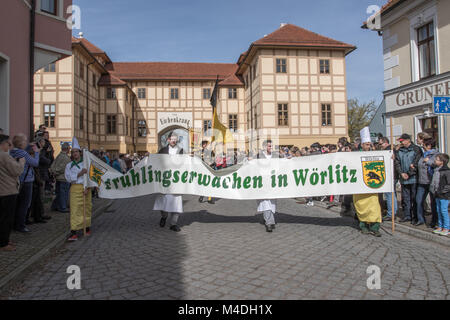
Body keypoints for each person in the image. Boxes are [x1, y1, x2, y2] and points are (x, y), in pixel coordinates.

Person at [353, 127, 382, 237]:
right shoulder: (355, 154)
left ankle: (375, 227)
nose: (368, 146)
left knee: (374, 207)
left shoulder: (376, 155)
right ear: (362, 145)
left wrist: (390, 157)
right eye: (366, 144)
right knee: (361, 207)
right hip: (359, 186)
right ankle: (363, 226)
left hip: (371, 186)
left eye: (370, 144)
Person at [153, 132, 184, 232]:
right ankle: (164, 217)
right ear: (168, 140)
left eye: (175, 139)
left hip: (176, 181)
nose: (174, 140)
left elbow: (184, 164)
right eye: (172, 139)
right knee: (163, 201)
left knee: (176, 203)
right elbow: (156, 163)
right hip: (165, 181)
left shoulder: (181, 150)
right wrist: (149, 158)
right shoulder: (162, 150)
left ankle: (173, 224)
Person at [10, 134, 40, 233]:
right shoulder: (24, 154)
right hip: (26, 181)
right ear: (21, 143)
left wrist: (28, 147)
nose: (26, 142)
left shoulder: (12, 152)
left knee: (17, 203)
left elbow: (23, 152)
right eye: (25, 141)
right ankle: (21, 225)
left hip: (16, 180)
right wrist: (36, 153)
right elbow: (35, 163)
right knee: (25, 204)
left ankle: (14, 224)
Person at [0, 134, 25, 251]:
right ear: (3, 144)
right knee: (6, 218)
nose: (9, 146)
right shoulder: (4, 156)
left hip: (2, 190)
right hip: (8, 191)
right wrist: (21, 163)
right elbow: (17, 171)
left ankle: (3, 240)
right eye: (8, 144)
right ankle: (4, 243)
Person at [64, 137, 92, 241]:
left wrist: (88, 187)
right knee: (75, 209)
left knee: (86, 208)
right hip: (75, 188)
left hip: (85, 188)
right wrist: (79, 174)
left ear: (80, 153)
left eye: (76, 152)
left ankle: (87, 227)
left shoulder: (85, 164)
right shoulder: (69, 165)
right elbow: (68, 178)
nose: (75, 153)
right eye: (73, 152)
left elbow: (89, 177)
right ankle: (74, 231)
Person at [394, 133, 423, 224]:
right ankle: (407, 215)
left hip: (414, 178)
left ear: (408, 140)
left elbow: (416, 163)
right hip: (403, 178)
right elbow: (397, 162)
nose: (401, 143)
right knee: (406, 198)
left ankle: (415, 216)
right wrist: (401, 173)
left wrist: (409, 174)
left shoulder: (416, 149)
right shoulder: (400, 150)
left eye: (402, 141)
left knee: (414, 198)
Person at [256, 139, 282, 233]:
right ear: (264, 147)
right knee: (265, 201)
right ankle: (269, 222)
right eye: (269, 146)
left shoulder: (276, 156)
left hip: (273, 182)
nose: (271, 147)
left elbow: (282, 163)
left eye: (271, 146)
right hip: (262, 182)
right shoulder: (258, 156)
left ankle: (267, 218)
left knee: (271, 201)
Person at [415, 138, 439, 227]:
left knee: (433, 203)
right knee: (419, 200)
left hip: (431, 181)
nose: (422, 146)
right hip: (422, 181)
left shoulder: (436, 154)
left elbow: (436, 164)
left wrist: (428, 161)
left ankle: (434, 221)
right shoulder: (424, 154)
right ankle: (421, 219)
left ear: (429, 146)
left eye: (424, 145)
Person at [378, 137, 398, 222]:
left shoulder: (389, 151)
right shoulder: (388, 150)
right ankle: (392, 211)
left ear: (385, 143)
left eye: (380, 144)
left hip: (391, 175)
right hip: (389, 175)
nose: (380, 146)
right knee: (391, 194)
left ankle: (391, 213)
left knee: (390, 194)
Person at [430, 153, 450, 236]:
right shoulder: (436, 169)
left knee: (444, 210)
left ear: (442, 162)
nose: (435, 161)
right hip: (436, 193)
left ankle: (447, 227)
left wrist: (442, 191)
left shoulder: (446, 171)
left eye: (437, 159)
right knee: (438, 210)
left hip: (444, 195)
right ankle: (440, 226)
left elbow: (448, 184)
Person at [50, 142, 72, 213]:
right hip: (63, 178)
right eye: (69, 148)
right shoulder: (66, 158)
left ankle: (55, 206)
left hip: (58, 178)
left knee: (59, 193)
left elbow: (53, 164)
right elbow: (62, 168)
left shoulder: (59, 155)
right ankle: (63, 207)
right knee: (63, 194)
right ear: (67, 149)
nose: (69, 150)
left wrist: (53, 171)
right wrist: (55, 172)